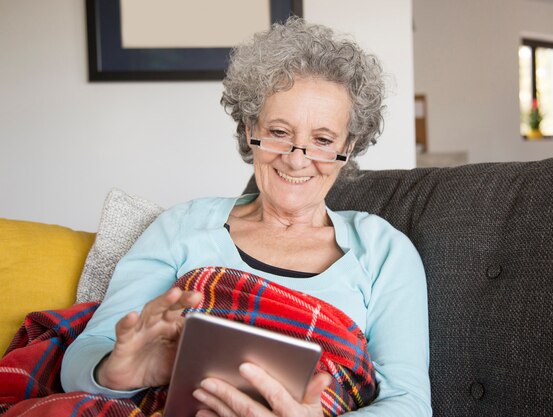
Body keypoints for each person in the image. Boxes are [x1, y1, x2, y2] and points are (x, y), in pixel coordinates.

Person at [61, 17, 431, 416]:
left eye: (322, 140)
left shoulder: (383, 250)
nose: (296, 157)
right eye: (278, 131)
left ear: (349, 145)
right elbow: (84, 356)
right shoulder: (182, 225)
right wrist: (119, 370)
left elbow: (408, 404)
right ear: (250, 126)